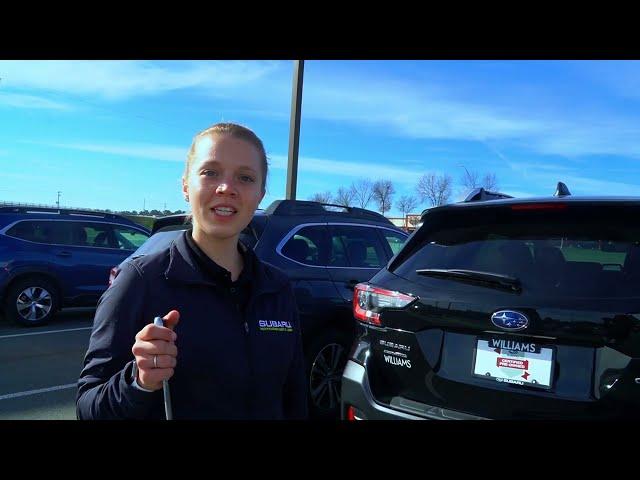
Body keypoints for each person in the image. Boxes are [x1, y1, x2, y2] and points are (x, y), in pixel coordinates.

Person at [76, 122, 308, 419]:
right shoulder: (141, 281)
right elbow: (87, 408)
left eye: (245, 177)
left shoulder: (276, 287)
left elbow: (294, 396)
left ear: (260, 194)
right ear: (186, 185)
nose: (227, 188)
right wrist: (138, 381)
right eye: (210, 172)